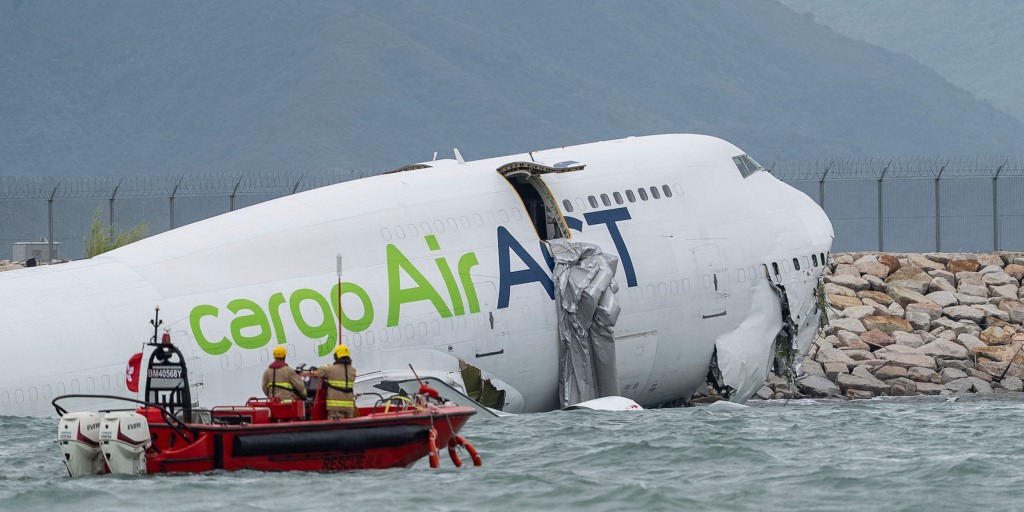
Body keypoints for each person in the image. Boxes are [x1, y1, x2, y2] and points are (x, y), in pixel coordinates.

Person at [319, 345, 357, 419]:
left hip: (335, 407)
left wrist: (326, 366)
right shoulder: (353, 371)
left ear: (336, 356)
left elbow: (319, 372)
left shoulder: (330, 369)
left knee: (336, 428)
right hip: (349, 407)